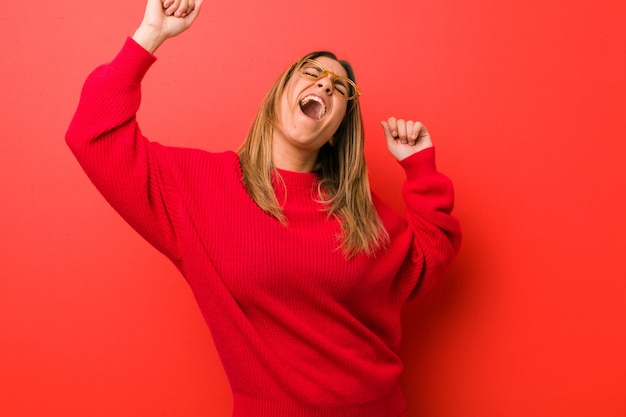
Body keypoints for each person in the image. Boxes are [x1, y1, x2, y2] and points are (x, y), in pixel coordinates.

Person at [65, 0, 462, 415]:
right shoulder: (197, 187)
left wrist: (420, 168)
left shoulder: (360, 213)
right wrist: (150, 34)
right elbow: (92, 134)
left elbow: (427, 257)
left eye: (340, 88)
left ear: (336, 131)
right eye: (312, 73)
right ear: (276, 97)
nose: (326, 85)